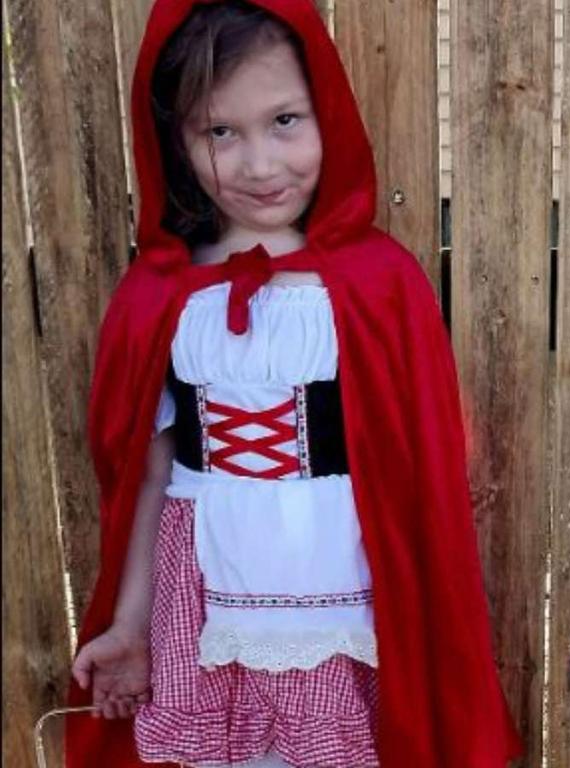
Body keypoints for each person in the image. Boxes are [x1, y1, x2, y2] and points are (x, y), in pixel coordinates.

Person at [65, 1, 521, 766]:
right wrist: (130, 623)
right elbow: (146, 477)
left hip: (340, 585)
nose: (260, 164)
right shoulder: (162, 295)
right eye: (220, 132)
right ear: (176, 142)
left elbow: (423, 488)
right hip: (204, 594)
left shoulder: (377, 283)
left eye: (284, 120)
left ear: (328, 112)